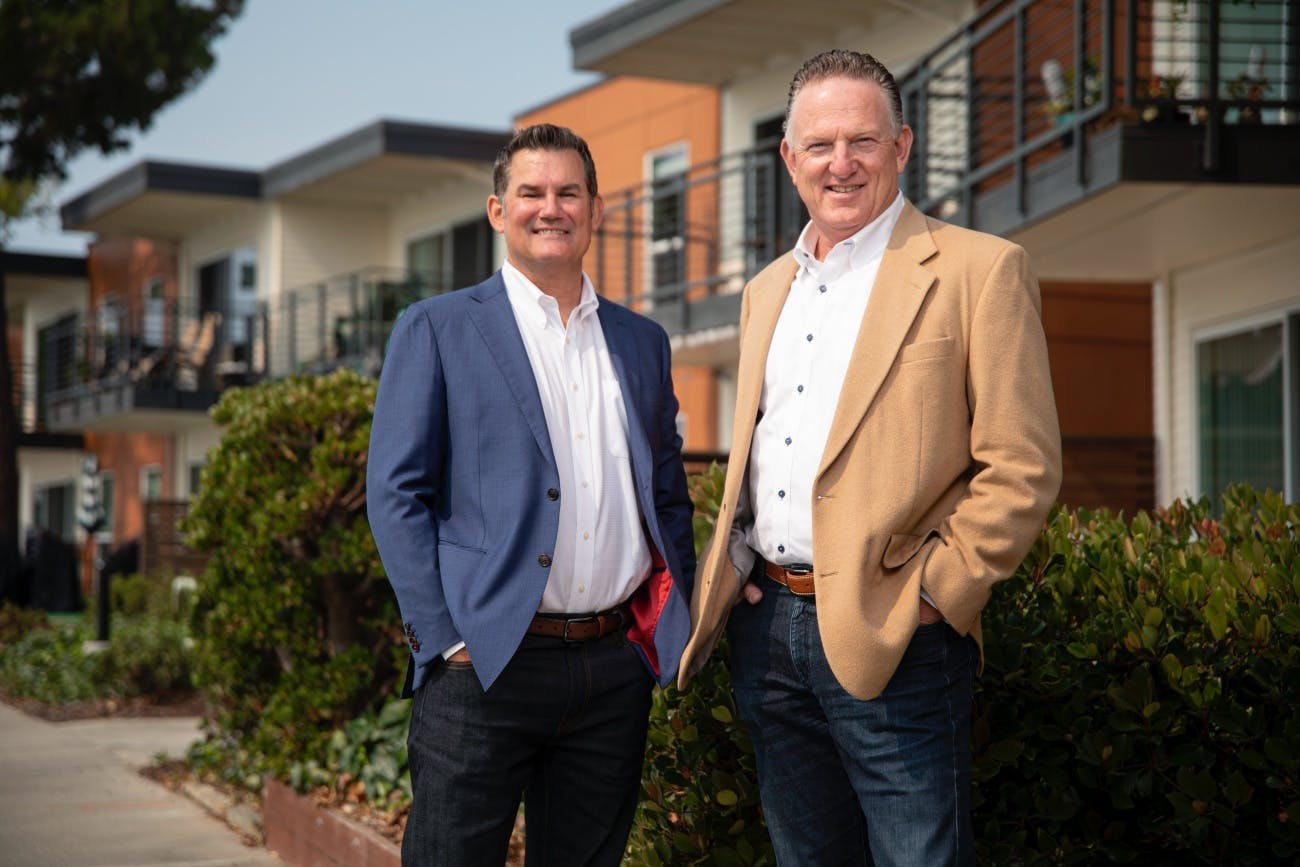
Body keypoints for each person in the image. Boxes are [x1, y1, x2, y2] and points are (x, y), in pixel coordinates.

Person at [678, 50, 1062, 866]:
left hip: (897, 630)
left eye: (863, 140)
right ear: (788, 158)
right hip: (767, 628)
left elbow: (1022, 464)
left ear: (903, 147)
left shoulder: (979, 270)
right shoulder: (764, 291)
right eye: (819, 145)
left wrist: (938, 593)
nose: (840, 163)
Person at [367, 123, 696, 867]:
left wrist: (672, 621)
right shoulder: (437, 328)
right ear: (496, 210)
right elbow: (395, 493)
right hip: (483, 666)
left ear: (597, 209)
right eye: (531, 193)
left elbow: (667, 494)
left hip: (613, 669)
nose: (551, 208)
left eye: (568, 192)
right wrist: (444, 637)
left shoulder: (642, 341)